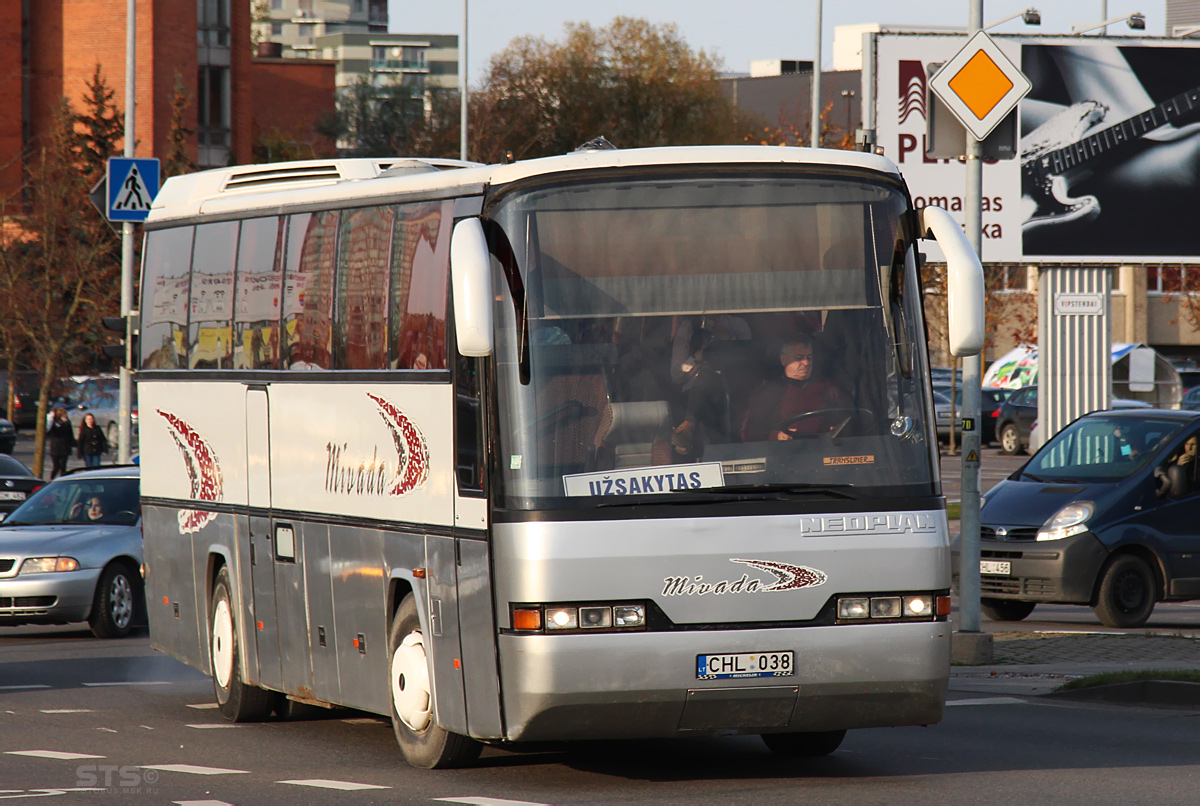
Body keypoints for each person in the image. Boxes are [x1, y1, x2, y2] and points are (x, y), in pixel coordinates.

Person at [740, 335, 849, 442]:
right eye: (799, 358)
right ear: (784, 360)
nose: (806, 363)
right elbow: (748, 434)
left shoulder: (828, 388)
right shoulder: (768, 392)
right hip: (783, 454)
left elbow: (845, 421)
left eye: (809, 358)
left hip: (822, 451)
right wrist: (776, 436)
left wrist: (837, 429)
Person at [669, 314, 751, 455]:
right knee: (706, 377)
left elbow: (750, 362)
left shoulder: (738, 324)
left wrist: (728, 340)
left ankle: (688, 425)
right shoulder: (688, 328)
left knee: (710, 377)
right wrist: (697, 357)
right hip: (692, 395)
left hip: (730, 392)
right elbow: (676, 375)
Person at [47, 407, 76, 479]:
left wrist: (73, 444)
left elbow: (70, 434)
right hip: (55, 447)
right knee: (56, 467)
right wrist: (51, 417)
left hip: (64, 447)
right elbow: (49, 429)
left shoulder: (67, 423)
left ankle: (63, 478)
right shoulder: (54, 423)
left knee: (63, 466)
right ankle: (52, 479)